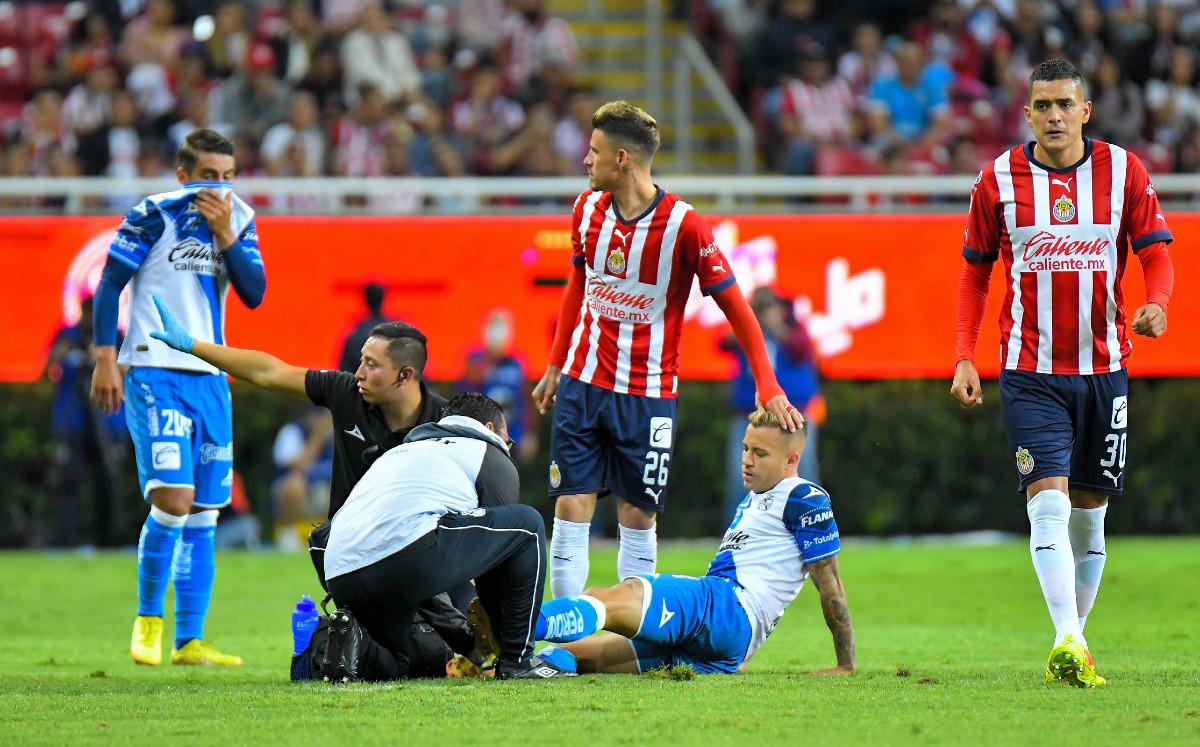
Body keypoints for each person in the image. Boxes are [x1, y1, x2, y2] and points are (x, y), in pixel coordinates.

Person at [951, 59, 1175, 689]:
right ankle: (1067, 639)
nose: (1054, 116)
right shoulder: (997, 179)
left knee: (1090, 510)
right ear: (1027, 115)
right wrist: (965, 354)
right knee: (1047, 503)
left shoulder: (1124, 171)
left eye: (1065, 105)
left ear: (1086, 111)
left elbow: (1156, 254)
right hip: (1030, 371)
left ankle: (1077, 638)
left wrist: (1158, 302)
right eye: (1043, 106)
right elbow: (974, 274)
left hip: (1106, 369)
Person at [531, 100, 804, 599]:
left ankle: (634, 633)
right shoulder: (585, 209)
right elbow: (577, 285)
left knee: (637, 514)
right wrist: (555, 363)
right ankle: (567, 630)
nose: (585, 160)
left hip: (648, 393)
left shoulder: (684, 225)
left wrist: (768, 384)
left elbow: (738, 309)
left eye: (594, 150)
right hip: (582, 382)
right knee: (571, 505)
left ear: (622, 159)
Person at [89, 128, 267, 667]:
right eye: (208, 176)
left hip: (210, 376)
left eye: (228, 177)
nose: (219, 187)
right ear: (183, 175)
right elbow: (109, 284)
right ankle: (148, 621)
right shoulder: (154, 213)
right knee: (173, 500)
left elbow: (255, 295)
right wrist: (105, 357)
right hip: (153, 370)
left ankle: (190, 640)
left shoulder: (240, 219)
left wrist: (226, 235)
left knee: (205, 512)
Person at [536, 409, 854, 676]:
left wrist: (845, 664)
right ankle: (514, 662)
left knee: (603, 598)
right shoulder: (758, 497)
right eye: (745, 448)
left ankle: (515, 625)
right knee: (576, 653)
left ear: (792, 459)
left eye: (760, 454)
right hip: (728, 645)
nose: (747, 460)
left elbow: (830, 583)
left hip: (723, 606)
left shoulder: (803, 496)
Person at [324, 392, 573, 680]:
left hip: (340, 574)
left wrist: (467, 643)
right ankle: (518, 660)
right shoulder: (485, 451)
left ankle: (350, 645)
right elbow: (498, 559)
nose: (507, 447)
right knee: (527, 525)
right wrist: (494, 645)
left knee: (398, 664)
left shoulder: (397, 453)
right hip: (406, 557)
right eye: (508, 440)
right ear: (489, 429)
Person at [721, 287, 824, 519]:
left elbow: (802, 349)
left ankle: (813, 523)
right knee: (742, 472)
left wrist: (776, 325)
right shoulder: (746, 328)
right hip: (751, 413)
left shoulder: (792, 325)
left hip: (792, 412)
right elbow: (723, 343)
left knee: (802, 468)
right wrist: (748, 322)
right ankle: (740, 529)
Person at [43, 297, 128, 548]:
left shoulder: (114, 336)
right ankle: (64, 542)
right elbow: (47, 367)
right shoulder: (68, 334)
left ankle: (108, 542)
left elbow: (128, 369)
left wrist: (102, 358)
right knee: (69, 480)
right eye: (88, 313)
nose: (91, 320)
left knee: (108, 482)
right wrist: (66, 350)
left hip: (107, 421)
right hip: (73, 421)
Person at [338, 283, 387, 373]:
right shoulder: (397, 332)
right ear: (383, 299)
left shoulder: (354, 334)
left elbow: (344, 372)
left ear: (365, 300)